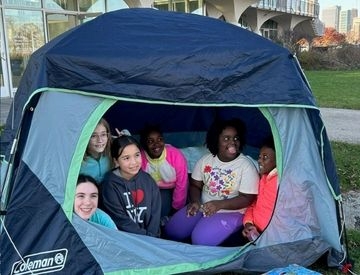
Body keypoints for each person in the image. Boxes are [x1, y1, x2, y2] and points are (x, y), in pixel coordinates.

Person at [164, 118, 259, 246]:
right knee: (172, 231)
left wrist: (219, 204)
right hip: (204, 206)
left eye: (236, 138)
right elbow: (195, 185)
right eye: (226, 138)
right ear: (216, 141)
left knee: (200, 240)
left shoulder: (246, 166)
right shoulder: (206, 160)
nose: (232, 142)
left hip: (232, 212)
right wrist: (196, 202)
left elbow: (247, 198)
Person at [101, 135, 161, 237]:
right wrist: (146, 238)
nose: (133, 162)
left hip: (152, 238)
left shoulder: (148, 180)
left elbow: (155, 213)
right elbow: (121, 221)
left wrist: (152, 238)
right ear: (116, 161)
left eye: (137, 155)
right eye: (126, 158)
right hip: (127, 240)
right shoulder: (109, 185)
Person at [140, 125, 188, 220]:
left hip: (175, 187)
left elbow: (182, 184)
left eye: (159, 139)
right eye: (150, 141)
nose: (156, 144)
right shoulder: (141, 158)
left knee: (176, 213)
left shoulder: (175, 155)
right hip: (155, 189)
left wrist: (176, 208)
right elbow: (141, 186)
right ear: (144, 144)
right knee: (159, 212)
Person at [242, 137, 277, 241]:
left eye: (265, 157)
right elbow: (254, 204)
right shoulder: (263, 178)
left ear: (278, 160)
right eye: (259, 156)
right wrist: (248, 224)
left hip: (273, 237)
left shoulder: (282, 182)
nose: (259, 160)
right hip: (256, 232)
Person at [80, 118, 112, 183]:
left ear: (108, 136)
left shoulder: (112, 153)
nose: (100, 140)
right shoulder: (79, 162)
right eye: (93, 136)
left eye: (103, 135)